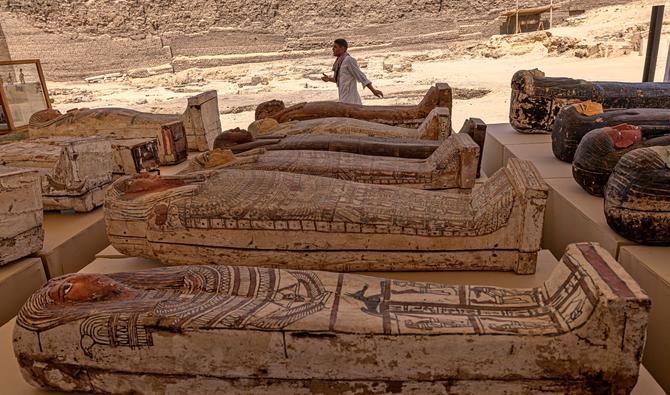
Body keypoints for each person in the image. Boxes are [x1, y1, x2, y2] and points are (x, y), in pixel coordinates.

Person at [321, 38, 383, 105]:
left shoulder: (349, 60)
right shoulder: (339, 62)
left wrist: (373, 91)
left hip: (352, 102)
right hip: (343, 99)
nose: (333, 49)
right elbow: (340, 79)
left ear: (343, 48)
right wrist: (329, 79)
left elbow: (361, 76)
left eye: (335, 47)